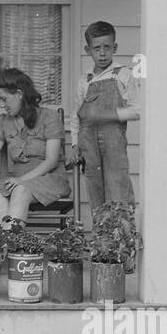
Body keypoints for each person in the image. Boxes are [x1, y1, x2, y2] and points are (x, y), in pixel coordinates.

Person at [0, 68, 70, 226]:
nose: (1, 105)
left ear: (20, 94)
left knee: (20, 190)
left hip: (49, 179)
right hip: (17, 182)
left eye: (4, 99)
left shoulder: (49, 117)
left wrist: (21, 180)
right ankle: (11, 243)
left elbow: (51, 161)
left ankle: (8, 245)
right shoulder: (4, 122)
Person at [68, 21, 138, 209]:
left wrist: (107, 114)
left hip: (113, 142)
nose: (102, 53)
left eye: (107, 47)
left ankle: (121, 237)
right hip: (88, 143)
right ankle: (101, 238)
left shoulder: (123, 75)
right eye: (96, 48)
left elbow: (136, 110)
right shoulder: (85, 80)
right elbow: (76, 115)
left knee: (118, 189)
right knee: (95, 190)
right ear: (87, 49)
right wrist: (75, 144)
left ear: (114, 47)